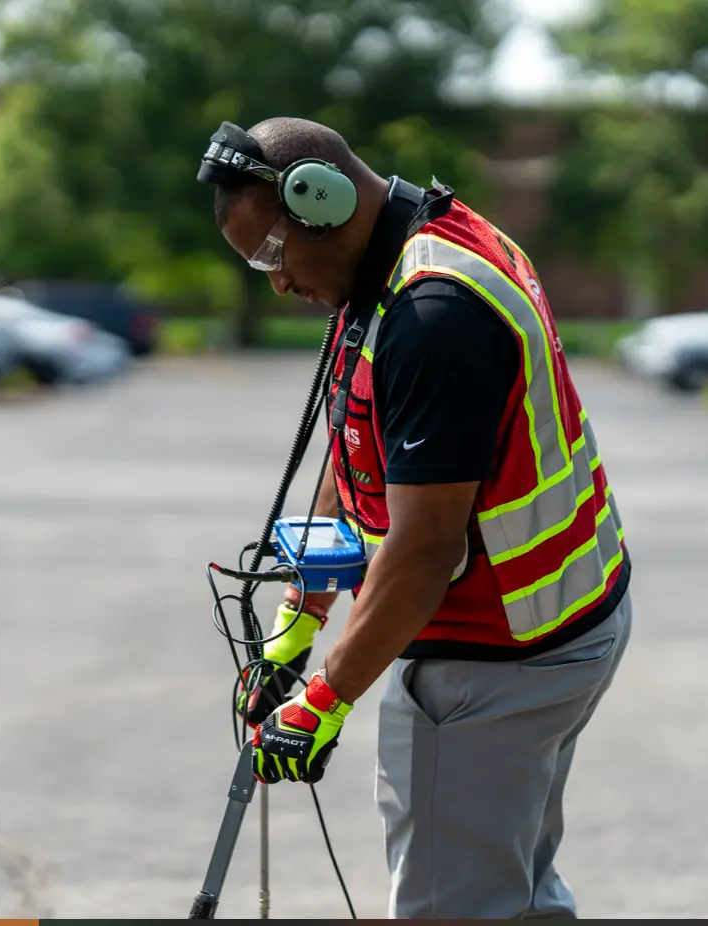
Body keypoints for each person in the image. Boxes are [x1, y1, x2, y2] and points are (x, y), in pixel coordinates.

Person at [196, 116, 633, 919]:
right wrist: (302, 617)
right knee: (517, 892)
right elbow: (362, 438)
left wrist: (322, 701)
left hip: (498, 658)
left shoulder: (434, 315)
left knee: (453, 906)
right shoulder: (410, 248)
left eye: (270, 253)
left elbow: (425, 550)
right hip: (564, 624)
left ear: (319, 201)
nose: (277, 283)